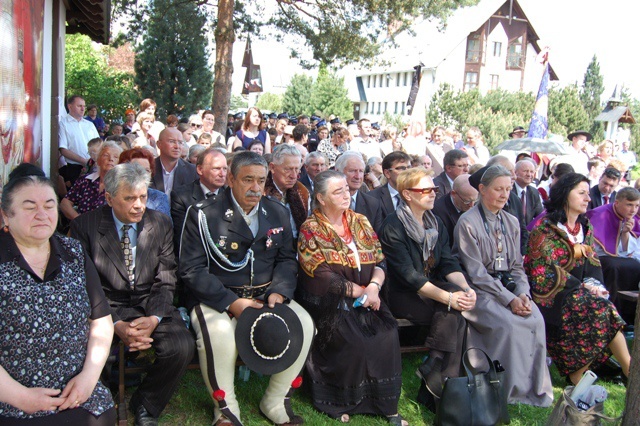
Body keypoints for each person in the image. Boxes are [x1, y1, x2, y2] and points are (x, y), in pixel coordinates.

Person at [179, 151, 314, 426]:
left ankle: (276, 401)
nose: (255, 188)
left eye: (261, 181)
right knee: (220, 338)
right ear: (231, 179)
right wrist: (232, 303)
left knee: (305, 324)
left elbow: (287, 259)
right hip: (216, 296)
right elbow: (191, 269)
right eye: (248, 180)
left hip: (267, 295)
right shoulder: (204, 214)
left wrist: (279, 291)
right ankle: (225, 411)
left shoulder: (276, 211)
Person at [70, 163, 194, 426]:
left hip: (150, 302)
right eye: (129, 198)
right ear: (109, 198)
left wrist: (154, 319)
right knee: (86, 348)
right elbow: (85, 286)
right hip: (106, 305)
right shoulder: (85, 226)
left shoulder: (159, 222)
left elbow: (167, 276)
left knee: (181, 346)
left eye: (143, 197)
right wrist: (115, 323)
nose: (139, 205)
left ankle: (146, 404)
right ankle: (99, 397)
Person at [0, 165, 116, 424]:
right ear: (6, 216)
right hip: (10, 401)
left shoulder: (72, 251)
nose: (42, 214)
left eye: (50, 205)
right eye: (30, 207)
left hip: (76, 392)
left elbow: (101, 321)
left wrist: (88, 378)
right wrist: (20, 397)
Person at [297, 170, 407, 426]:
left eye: (346, 188)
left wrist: (374, 287)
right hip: (329, 301)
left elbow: (380, 259)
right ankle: (338, 401)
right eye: (338, 191)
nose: (346, 194)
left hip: (368, 295)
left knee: (386, 333)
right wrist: (360, 291)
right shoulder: (311, 227)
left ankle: (384, 403)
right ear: (322, 198)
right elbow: (320, 274)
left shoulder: (360, 221)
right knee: (353, 339)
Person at [453, 165, 553, 407]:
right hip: (480, 290)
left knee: (536, 319)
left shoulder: (511, 221)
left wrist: (523, 294)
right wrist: (508, 299)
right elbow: (476, 272)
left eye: (508, 189)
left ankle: (535, 387)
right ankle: (509, 388)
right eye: (498, 189)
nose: (504, 194)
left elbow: (517, 266)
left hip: (509, 286)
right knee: (509, 324)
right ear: (482, 189)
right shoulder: (467, 222)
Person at [379, 168, 476, 401]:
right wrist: (450, 299)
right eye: (426, 190)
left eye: (434, 189)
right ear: (407, 195)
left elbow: (448, 262)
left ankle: (434, 368)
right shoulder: (393, 226)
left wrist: (466, 289)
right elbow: (408, 275)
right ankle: (442, 381)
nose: (433, 194)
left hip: (430, 289)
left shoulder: (435, 223)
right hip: (402, 293)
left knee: (455, 306)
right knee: (456, 313)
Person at [525, 173, 630, 384]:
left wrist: (595, 285)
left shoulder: (585, 227)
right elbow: (543, 271)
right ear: (565, 195)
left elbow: (592, 263)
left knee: (601, 304)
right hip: (552, 296)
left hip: (580, 294)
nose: (587, 198)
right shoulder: (545, 227)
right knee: (598, 307)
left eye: (587, 193)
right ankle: (621, 370)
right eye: (581, 193)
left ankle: (619, 371)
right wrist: (583, 287)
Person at [586, 187, 640, 322]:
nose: (633, 210)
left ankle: (629, 316)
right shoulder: (601, 214)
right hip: (599, 257)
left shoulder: (633, 218)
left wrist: (625, 232)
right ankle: (611, 313)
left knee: (635, 266)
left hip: (621, 258)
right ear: (617, 203)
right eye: (629, 205)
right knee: (613, 266)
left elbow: (629, 250)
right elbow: (597, 247)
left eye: (637, 205)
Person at [170, 148, 227, 254]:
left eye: (225, 169)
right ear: (200, 169)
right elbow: (183, 238)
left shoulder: (231, 195)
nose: (222, 174)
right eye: (216, 169)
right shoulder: (181, 196)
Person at [60, 141, 122, 220]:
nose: (111, 159)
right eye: (106, 155)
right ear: (98, 160)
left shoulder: (122, 185)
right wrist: (79, 221)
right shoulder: (85, 181)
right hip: (83, 229)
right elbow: (65, 204)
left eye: (116, 157)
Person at [264, 144, 309, 238]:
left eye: (297, 169)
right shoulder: (261, 191)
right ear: (272, 167)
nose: (293, 176)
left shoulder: (302, 192)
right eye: (288, 169)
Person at [335, 151, 383, 233]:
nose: (358, 177)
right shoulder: (326, 202)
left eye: (361, 171)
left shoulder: (373, 204)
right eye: (352, 171)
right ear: (338, 171)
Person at [59, 95, 100, 186]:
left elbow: (99, 144)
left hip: (94, 166)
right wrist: (84, 161)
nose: (83, 109)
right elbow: (63, 149)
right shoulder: (63, 124)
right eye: (79, 106)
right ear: (70, 106)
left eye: (84, 106)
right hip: (75, 168)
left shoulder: (89, 124)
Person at [118, 147, 171, 218]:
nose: (142, 174)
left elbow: (165, 227)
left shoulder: (159, 198)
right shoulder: (115, 195)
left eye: (147, 170)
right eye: (137, 169)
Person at [432, 174, 478, 248]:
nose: (472, 205)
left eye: (475, 200)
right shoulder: (438, 212)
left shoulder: (476, 205)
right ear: (453, 194)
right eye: (467, 201)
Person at [150, 128, 198, 196]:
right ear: (159, 144)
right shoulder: (148, 168)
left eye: (180, 142)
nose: (177, 146)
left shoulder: (192, 171)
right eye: (171, 141)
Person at [369, 151, 412, 217]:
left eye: (409, 167)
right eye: (401, 168)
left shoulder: (418, 194)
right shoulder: (372, 199)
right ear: (387, 173)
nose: (407, 172)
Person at [513, 159, 544, 226]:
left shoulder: (534, 192)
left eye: (532, 172)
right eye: (525, 171)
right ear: (515, 172)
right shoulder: (508, 190)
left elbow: (540, 216)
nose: (529, 175)